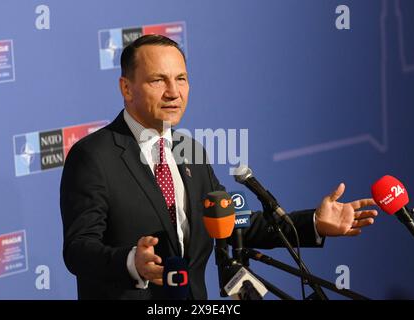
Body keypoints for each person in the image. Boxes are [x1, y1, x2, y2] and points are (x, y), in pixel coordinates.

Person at [60, 34, 378, 300]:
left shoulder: (190, 149)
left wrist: (313, 224)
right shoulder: (93, 156)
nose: (174, 92)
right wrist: (131, 262)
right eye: (159, 80)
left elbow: (230, 223)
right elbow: (79, 249)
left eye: (181, 79)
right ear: (127, 88)